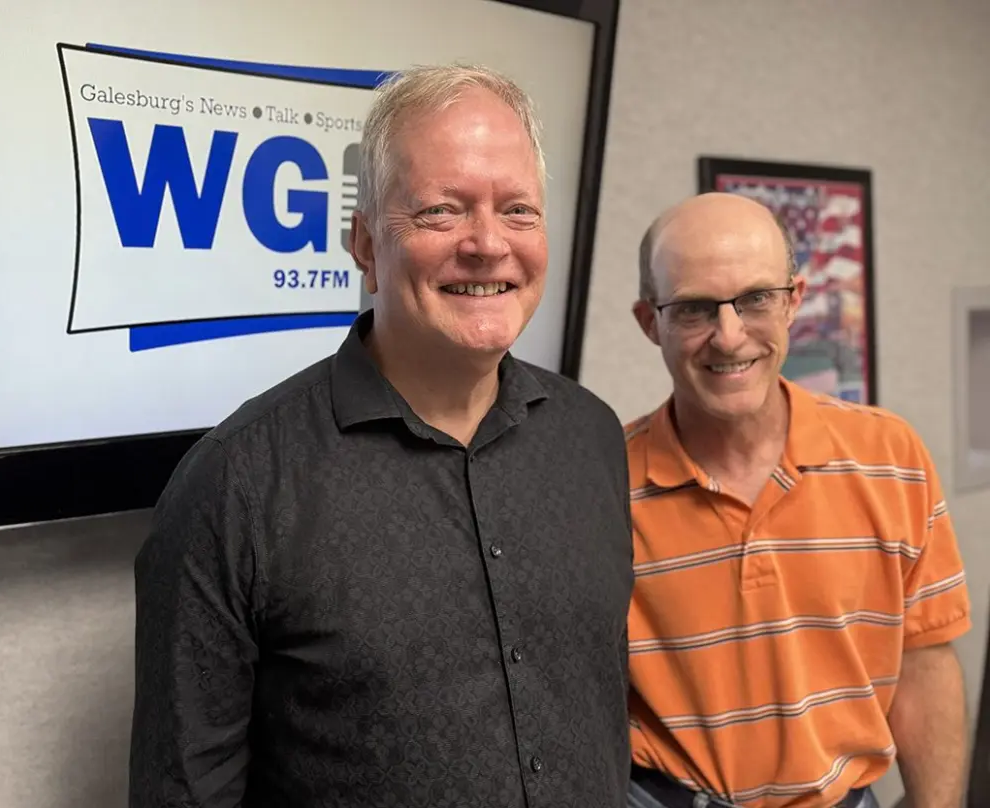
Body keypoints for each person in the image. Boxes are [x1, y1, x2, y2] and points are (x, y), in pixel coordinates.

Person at [128, 63, 634, 808]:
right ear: (364, 244)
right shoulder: (235, 485)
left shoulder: (592, 437)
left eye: (518, 210)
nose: (488, 243)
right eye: (442, 211)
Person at [623, 192, 970, 808]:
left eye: (756, 298)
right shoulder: (602, 479)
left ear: (794, 300)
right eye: (695, 309)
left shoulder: (891, 455)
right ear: (651, 323)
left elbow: (924, 659)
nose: (729, 337)